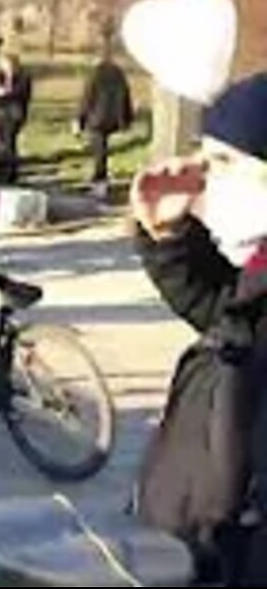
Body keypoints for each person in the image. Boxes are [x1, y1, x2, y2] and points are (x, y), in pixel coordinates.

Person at [129, 74, 267, 585]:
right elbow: (224, 312)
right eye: (204, 158)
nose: (204, 177)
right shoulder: (258, 264)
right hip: (185, 547)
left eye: (226, 164)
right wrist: (168, 235)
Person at [78, 47, 135, 200]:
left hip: (96, 118)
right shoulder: (119, 74)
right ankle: (100, 182)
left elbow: (87, 99)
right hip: (113, 118)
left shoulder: (94, 75)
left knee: (99, 152)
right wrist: (126, 119)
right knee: (102, 151)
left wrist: (80, 119)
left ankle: (99, 183)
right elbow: (125, 96)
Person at [0, 54, 33, 185]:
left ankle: (10, 173)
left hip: (14, 115)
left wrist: (7, 93)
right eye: (5, 66)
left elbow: (23, 95)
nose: (8, 69)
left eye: (10, 66)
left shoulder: (23, 78)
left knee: (9, 143)